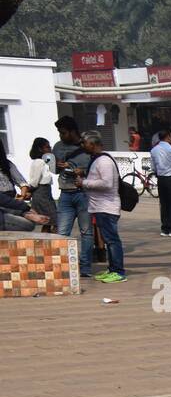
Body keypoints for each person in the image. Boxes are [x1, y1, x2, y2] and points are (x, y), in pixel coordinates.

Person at [78, 130, 125, 282]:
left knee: (112, 240)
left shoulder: (103, 161)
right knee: (108, 240)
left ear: (92, 144)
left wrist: (84, 183)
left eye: (84, 143)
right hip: (100, 207)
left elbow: (106, 183)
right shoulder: (97, 160)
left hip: (107, 207)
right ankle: (112, 269)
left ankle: (118, 271)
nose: (83, 146)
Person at [52, 116, 95, 282]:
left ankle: (85, 267)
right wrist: (56, 166)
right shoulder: (57, 147)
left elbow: (95, 169)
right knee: (62, 233)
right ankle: (62, 266)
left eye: (63, 133)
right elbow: (54, 171)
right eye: (59, 133)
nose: (61, 136)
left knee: (86, 232)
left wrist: (79, 171)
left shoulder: (86, 146)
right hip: (65, 194)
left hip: (83, 193)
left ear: (72, 131)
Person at [27, 137, 58, 230]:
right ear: (40, 149)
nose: (50, 149)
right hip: (41, 193)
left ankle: (48, 241)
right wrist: (28, 191)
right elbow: (34, 181)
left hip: (46, 192)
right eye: (47, 147)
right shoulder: (39, 162)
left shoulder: (44, 162)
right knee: (53, 220)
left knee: (48, 222)